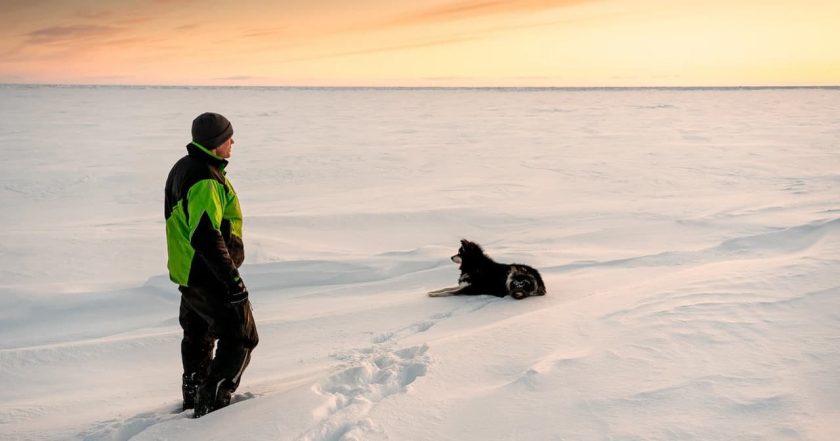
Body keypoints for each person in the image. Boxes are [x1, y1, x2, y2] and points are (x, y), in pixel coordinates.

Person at [164, 112, 259, 418]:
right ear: (217, 142)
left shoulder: (184, 167)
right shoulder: (206, 178)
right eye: (229, 137)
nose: (233, 142)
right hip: (209, 275)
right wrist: (233, 282)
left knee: (198, 337)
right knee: (241, 337)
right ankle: (212, 409)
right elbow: (206, 235)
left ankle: (193, 399)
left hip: (190, 274)